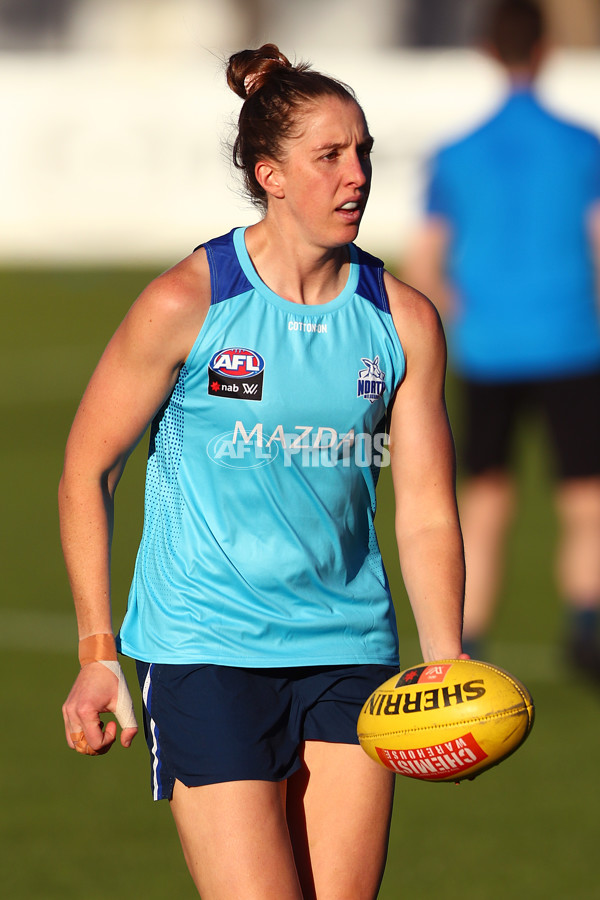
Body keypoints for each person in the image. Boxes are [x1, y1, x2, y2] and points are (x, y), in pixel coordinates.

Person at [60, 44, 466, 900]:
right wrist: (100, 650)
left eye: (363, 153)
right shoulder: (188, 303)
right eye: (330, 157)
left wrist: (445, 658)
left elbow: (425, 509)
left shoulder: (403, 322)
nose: (356, 175)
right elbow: (86, 471)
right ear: (269, 174)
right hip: (206, 650)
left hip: (351, 652)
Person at [404, 0, 600, 679]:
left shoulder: (456, 154)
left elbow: (425, 261)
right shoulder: (583, 146)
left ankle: (469, 641)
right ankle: (586, 629)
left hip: (488, 348)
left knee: (484, 501)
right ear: (545, 50)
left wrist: (466, 316)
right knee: (585, 499)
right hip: (572, 340)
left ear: (488, 50)